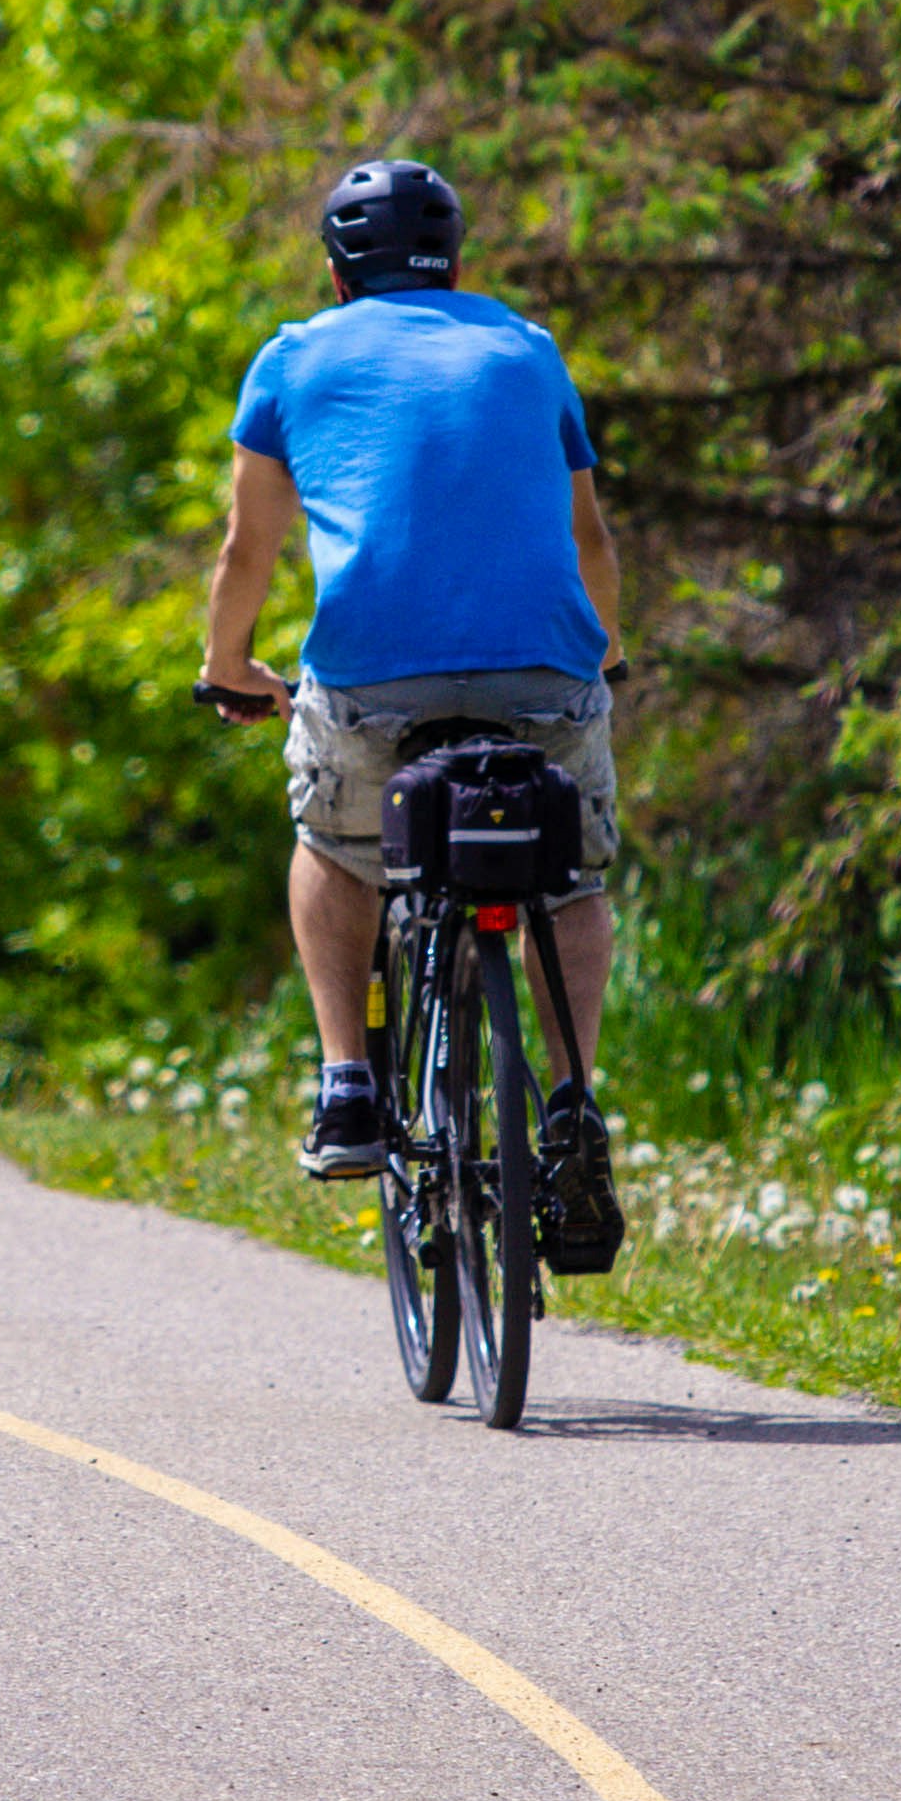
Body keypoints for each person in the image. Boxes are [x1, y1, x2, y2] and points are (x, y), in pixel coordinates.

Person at [194, 155, 622, 1259]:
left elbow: (250, 546)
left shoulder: (291, 360)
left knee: (333, 849)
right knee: (567, 871)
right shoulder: (527, 350)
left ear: (337, 273)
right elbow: (590, 542)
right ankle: (570, 1100)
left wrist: (229, 665)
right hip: (544, 677)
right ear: (458, 263)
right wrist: (602, 665)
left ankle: (347, 1084)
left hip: (374, 679)